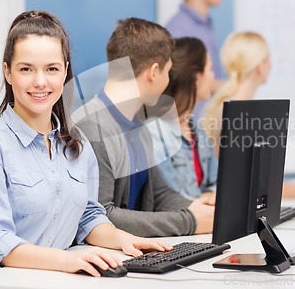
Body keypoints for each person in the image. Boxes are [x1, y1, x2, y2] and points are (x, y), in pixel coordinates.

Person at [0, 11, 172, 279]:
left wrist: (125, 240)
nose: (40, 81)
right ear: (8, 72)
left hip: (58, 280)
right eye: (26, 69)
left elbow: (87, 218)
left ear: (65, 72)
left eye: (51, 69)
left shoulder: (77, 145)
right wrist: (69, 260)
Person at [73, 18, 214, 238]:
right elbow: (102, 216)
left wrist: (201, 210)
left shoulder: (138, 125)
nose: (168, 81)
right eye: (167, 72)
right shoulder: (93, 129)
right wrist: (189, 221)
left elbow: (160, 194)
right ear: (154, 72)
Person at [202, 31, 295, 198]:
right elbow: (250, 185)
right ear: (260, 66)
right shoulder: (238, 112)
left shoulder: (230, 105)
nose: (271, 64)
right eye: (268, 59)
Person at [153, 37, 218, 201]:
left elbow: (217, 182)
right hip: (183, 224)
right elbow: (169, 200)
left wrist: (210, 196)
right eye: (210, 69)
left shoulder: (197, 130)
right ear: (196, 77)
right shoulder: (157, 134)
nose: (213, 76)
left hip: (205, 220)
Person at [166, 0, 226, 117]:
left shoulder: (206, 25)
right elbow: (182, 82)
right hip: (192, 129)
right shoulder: (177, 31)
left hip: (209, 125)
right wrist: (230, 85)